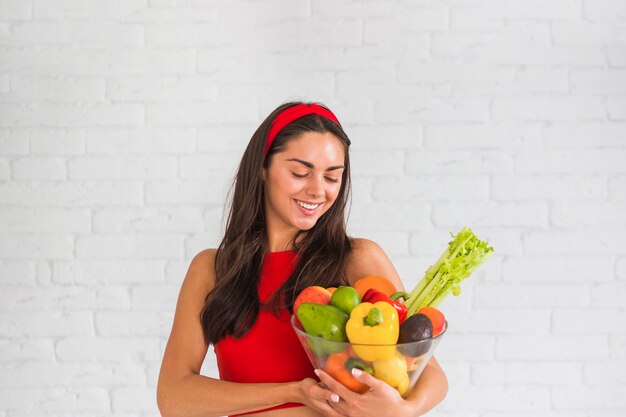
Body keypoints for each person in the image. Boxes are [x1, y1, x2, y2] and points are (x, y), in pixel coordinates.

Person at [156, 101, 448, 417]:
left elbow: (429, 372)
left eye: (332, 177)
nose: (316, 190)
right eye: (300, 172)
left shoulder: (356, 259)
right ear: (263, 169)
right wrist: (295, 392)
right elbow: (173, 398)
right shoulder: (213, 269)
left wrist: (403, 410)